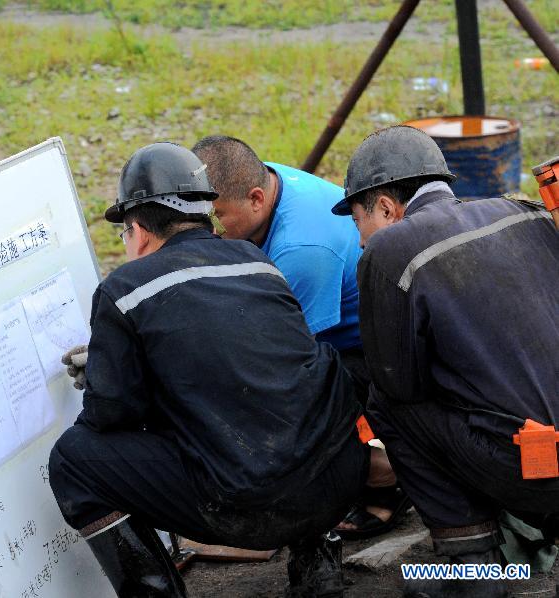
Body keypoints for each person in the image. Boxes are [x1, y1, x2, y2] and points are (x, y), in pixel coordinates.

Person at [48, 142, 368, 597]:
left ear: (136, 230)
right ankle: (318, 568)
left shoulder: (124, 290)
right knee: (288, 396)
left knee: (74, 459)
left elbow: (111, 415)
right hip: (336, 488)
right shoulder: (259, 262)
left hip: (249, 509)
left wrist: (109, 368)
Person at [331, 125, 559, 597]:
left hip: (537, 466)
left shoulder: (390, 251)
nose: (359, 241)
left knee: (389, 404)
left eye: (358, 223)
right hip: (543, 451)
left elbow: (399, 383)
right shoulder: (523, 211)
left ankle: (474, 569)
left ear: (387, 207)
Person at [191, 136, 406, 539]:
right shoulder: (259, 178)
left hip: (370, 347)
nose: (209, 230)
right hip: (327, 326)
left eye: (217, 217)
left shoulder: (301, 250)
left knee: (272, 397)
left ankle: (384, 472)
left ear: (256, 198)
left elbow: (287, 361)